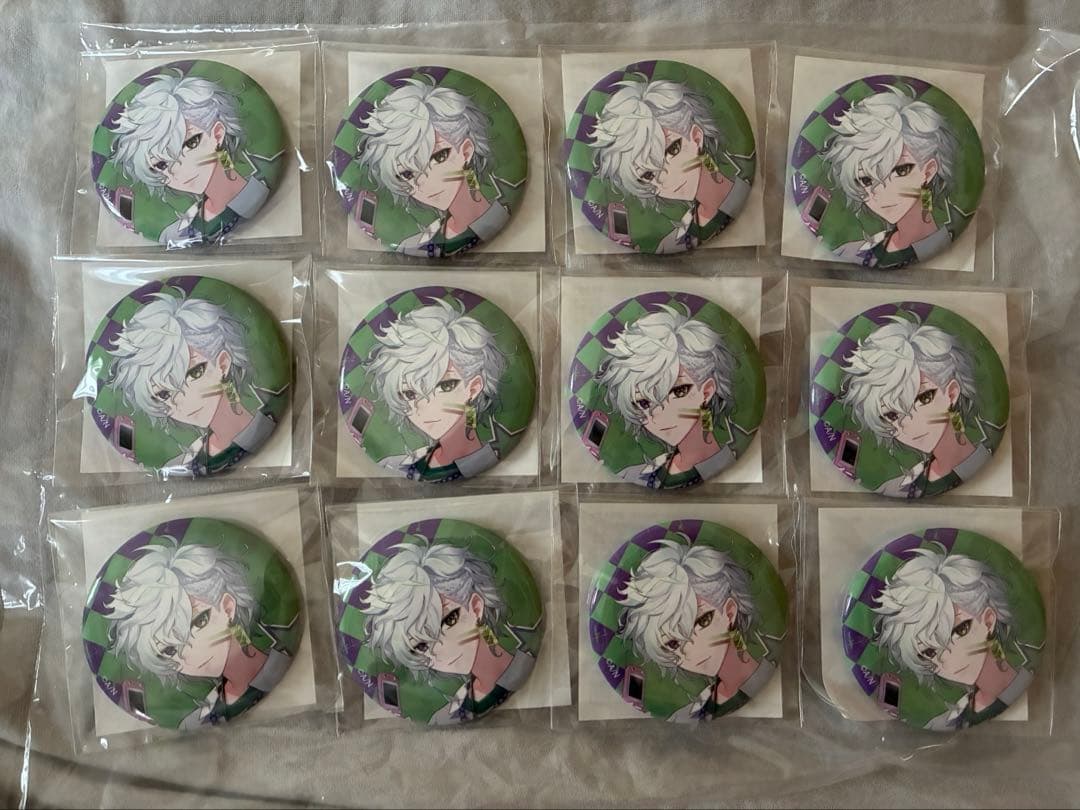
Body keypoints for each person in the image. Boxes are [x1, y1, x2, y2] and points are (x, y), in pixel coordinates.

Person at [106, 541, 291, 728]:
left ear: (227, 607)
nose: (192, 654)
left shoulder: (286, 669)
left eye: (199, 622)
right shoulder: (193, 721)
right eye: (169, 650)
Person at [359, 539, 534, 725]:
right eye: (422, 645)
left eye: (448, 622)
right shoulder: (445, 715)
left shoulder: (524, 665)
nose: (439, 650)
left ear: (476, 607)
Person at [108, 289, 281, 476]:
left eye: (194, 373)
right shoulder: (182, 463)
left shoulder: (269, 416)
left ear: (222, 364)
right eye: (163, 394)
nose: (182, 400)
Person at [874, 547, 1032, 730]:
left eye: (959, 631)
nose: (948, 657)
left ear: (988, 621)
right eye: (929, 652)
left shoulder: (1032, 687)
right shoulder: (941, 723)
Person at [111, 71, 274, 245]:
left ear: (217, 134)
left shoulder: (258, 193)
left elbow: (228, 167)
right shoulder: (173, 234)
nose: (179, 169)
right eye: (161, 164)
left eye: (190, 144)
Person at [620, 539, 774, 722]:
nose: (692, 649)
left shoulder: (774, 678)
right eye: (673, 643)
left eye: (702, 621)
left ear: (730, 612)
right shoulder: (684, 716)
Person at [590, 78, 751, 252]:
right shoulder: (669, 244)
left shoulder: (748, 195)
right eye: (648, 175)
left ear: (696, 137)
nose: (667, 177)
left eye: (671, 150)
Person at [840, 313, 992, 498]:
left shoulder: (991, 467)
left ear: (951, 393)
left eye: (923, 399)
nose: (909, 423)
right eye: (892, 415)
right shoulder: (892, 489)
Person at [355, 77, 509, 257]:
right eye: (407, 174)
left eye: (438, 157)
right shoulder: (411, 245)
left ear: (466, 151)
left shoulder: (503, 217)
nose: (425, 182)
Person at [363, 298, 507, 481]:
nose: (425, 407)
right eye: (409, 394)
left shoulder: (494, 466)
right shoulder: (393, 464)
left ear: (473, 388)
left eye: (445, 386)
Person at [597, 304, 740, 489]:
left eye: (678, 392)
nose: (660, 415)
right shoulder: (632, 475)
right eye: (644, 403)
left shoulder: (738, 468)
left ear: (706, 391)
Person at [821, 85, 960, 269]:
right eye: (866, 180)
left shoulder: (952, 250)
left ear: (928, 171)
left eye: (901, 171)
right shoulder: (849, 252)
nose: (882, 192)